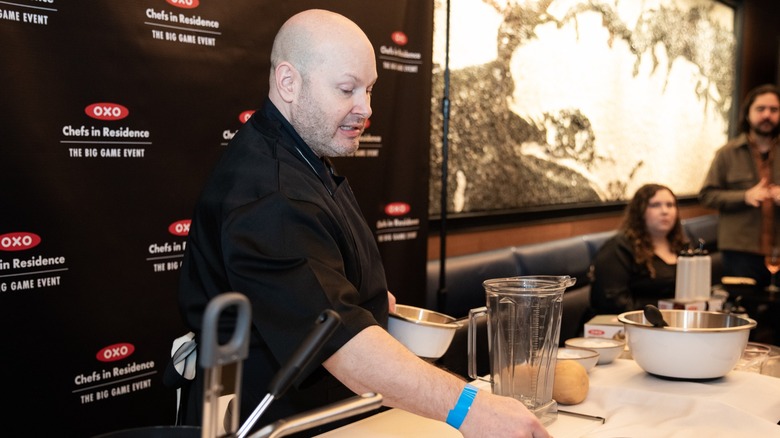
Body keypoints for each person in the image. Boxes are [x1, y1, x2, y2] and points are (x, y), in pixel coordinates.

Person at [177, 9, 550, 438]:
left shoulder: (299, 153)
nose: (366, 108)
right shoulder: (271, 193)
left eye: (370, 89)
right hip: (269, 421)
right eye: (347, 89)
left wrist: (364, 297)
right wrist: (473, 409)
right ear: (288, 82)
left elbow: (313, 278)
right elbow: (342, 347)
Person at [699, 84, 780, 287]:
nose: (767, 115)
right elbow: (707, 195)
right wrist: (744, 196)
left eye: (774, 110)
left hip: (777, 251)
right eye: (760, 109)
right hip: (740, 253)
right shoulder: (727, 153)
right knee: (743, 310)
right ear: (748, 113)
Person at [589, 184, 688, 315]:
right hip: (625, 325)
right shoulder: (618, 248)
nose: (665, 211)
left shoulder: (681, 246)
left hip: (675, 323)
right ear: (639, 211)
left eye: (670, 205)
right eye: (655, 205)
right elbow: (614, 303)